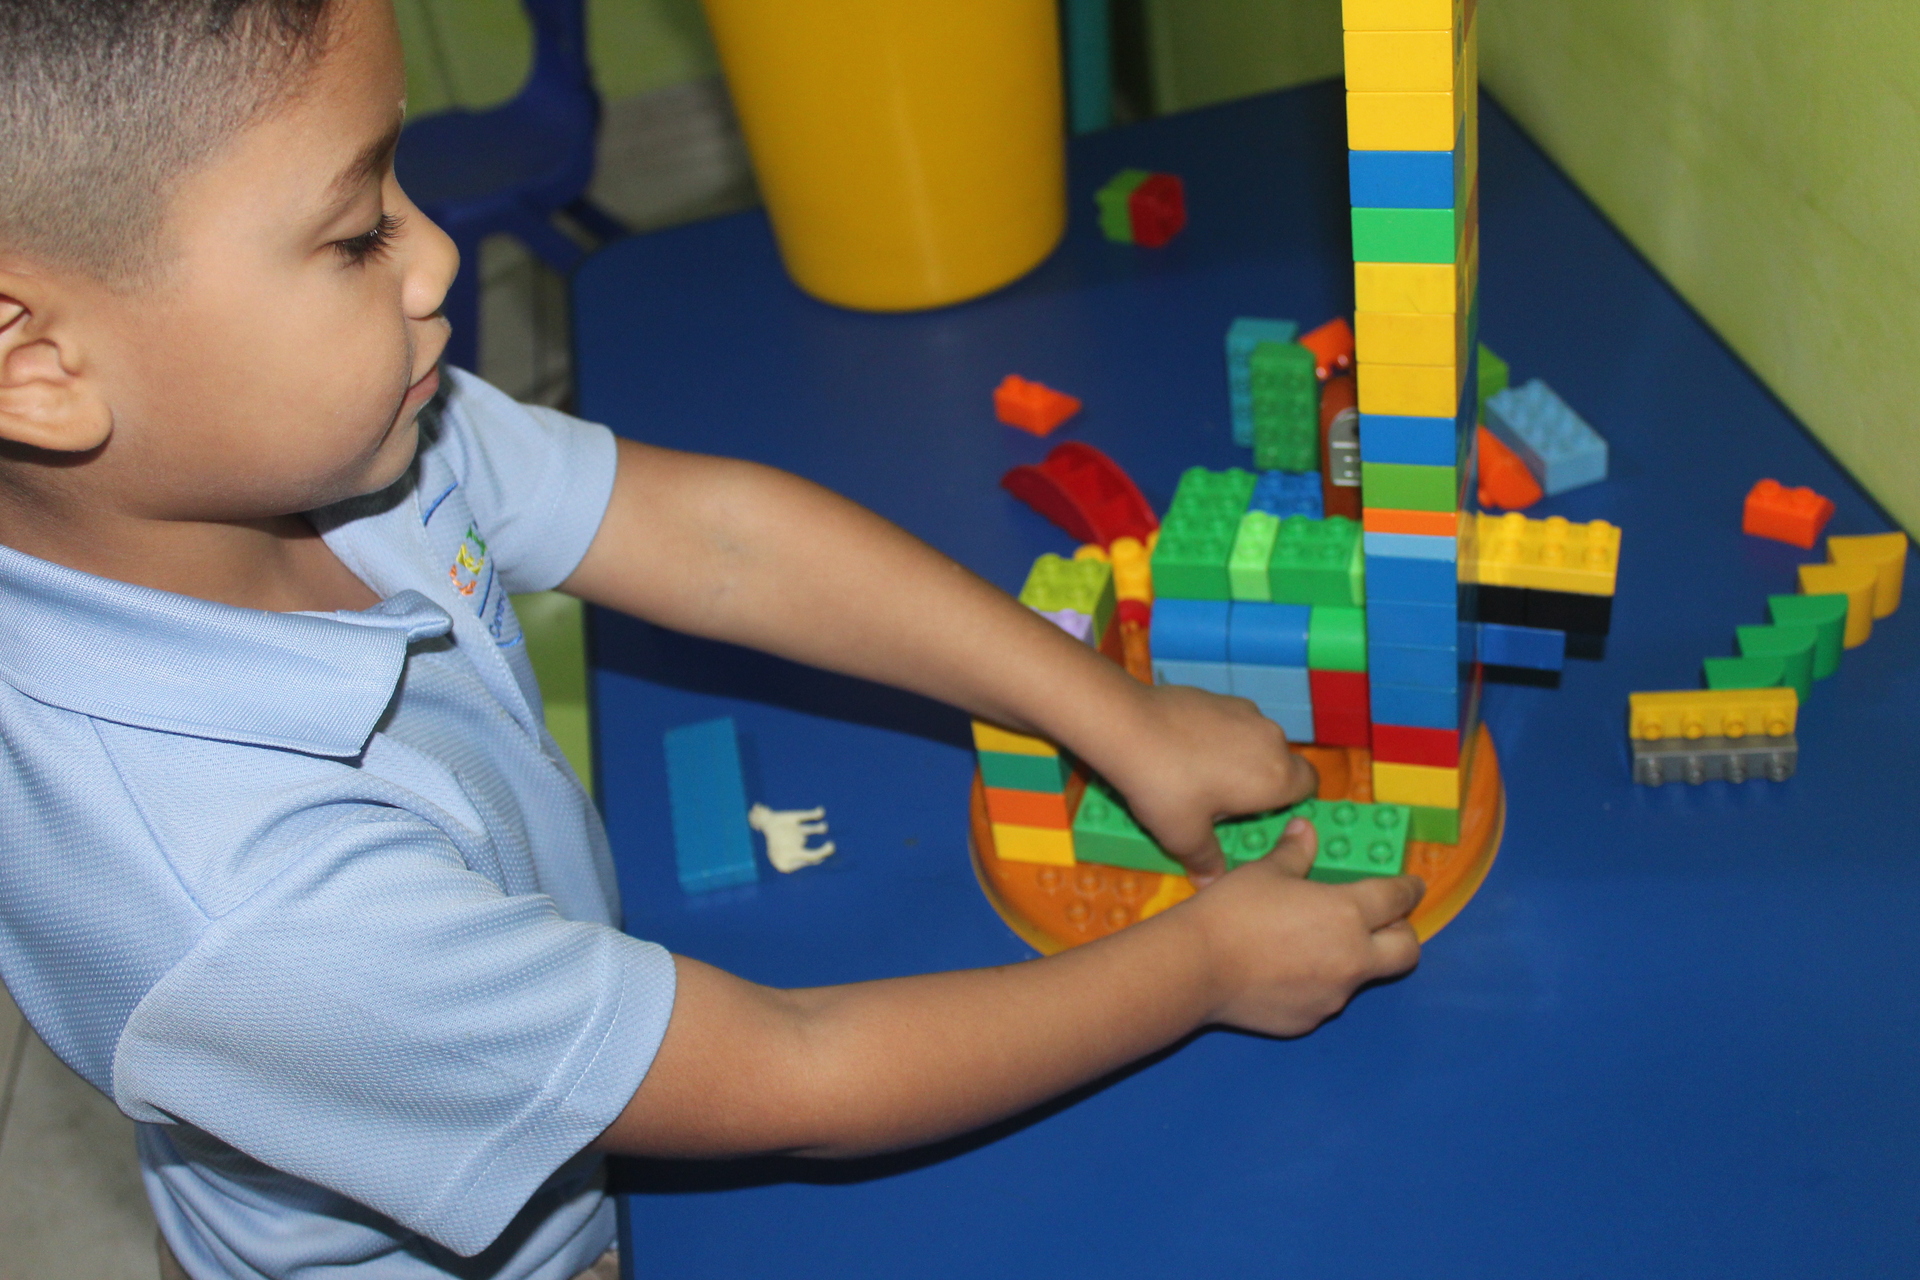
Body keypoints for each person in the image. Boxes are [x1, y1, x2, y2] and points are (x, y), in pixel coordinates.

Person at [0, 1, 1424, 1276]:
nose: (434, 254)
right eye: (355, 231)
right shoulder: (247, 909)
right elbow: (799, 1068)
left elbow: (718, 539)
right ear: (39, 367)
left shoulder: (310, 438)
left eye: (399, 182)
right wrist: (1204, 968)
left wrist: (1113, 711)